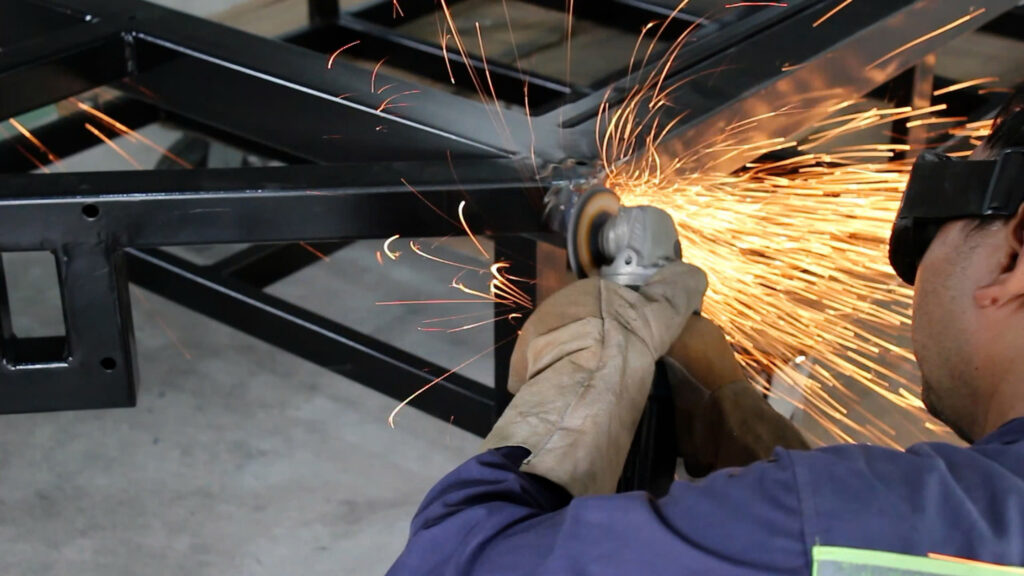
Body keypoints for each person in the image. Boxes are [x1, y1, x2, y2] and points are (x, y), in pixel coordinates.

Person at [387, 91, 1024, 575]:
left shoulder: (859, 514)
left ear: (1014, 256)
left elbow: (452, 561)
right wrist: (742, 418)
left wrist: (581, 383)